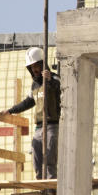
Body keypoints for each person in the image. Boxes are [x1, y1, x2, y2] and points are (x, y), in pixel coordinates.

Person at [4, 47, 61, 179]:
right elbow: (28, 102)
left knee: (50, 160)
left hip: (52, 125)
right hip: (39, 127)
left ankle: (51, 191)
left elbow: (60, 88)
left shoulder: (54, 78)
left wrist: (50, 81)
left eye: (36, 66)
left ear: (43, 64)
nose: (34, 69)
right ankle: (42, 188)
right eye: (31, 67)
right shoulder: (35, 85)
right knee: (37, 159)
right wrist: (11, 110)